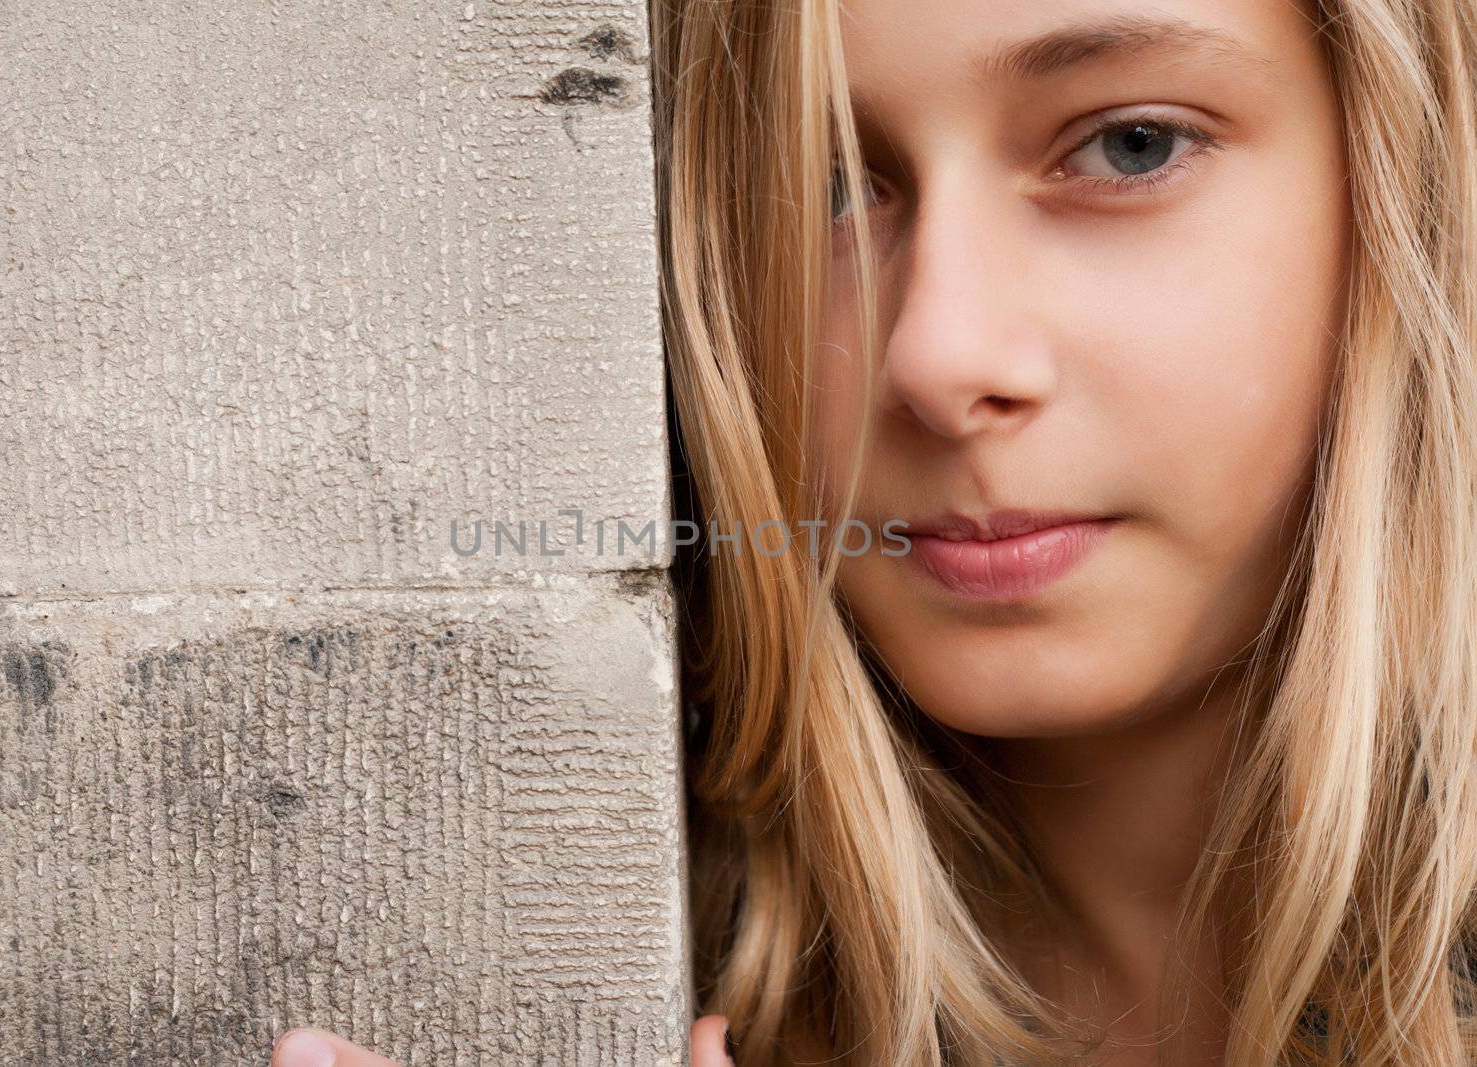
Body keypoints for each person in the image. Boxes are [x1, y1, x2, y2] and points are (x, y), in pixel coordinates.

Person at [269, 0, 1477, 1062]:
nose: (939, 354)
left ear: (1406, 177)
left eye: (1128, 144)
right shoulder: (564, 959)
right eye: (824, 186)